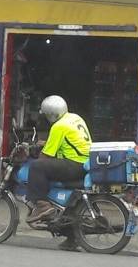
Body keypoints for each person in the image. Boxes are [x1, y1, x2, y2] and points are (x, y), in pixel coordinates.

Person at [26, 95, 92, 250]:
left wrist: (36, 153)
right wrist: (46, 143)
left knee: (37, 167)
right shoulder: (74, 118)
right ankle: (72, 239)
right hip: (85, 162)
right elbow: (67, 141)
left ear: (51, 114)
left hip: (74, 164)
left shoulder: (58, 126)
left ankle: (42, 205)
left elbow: (46, 156)